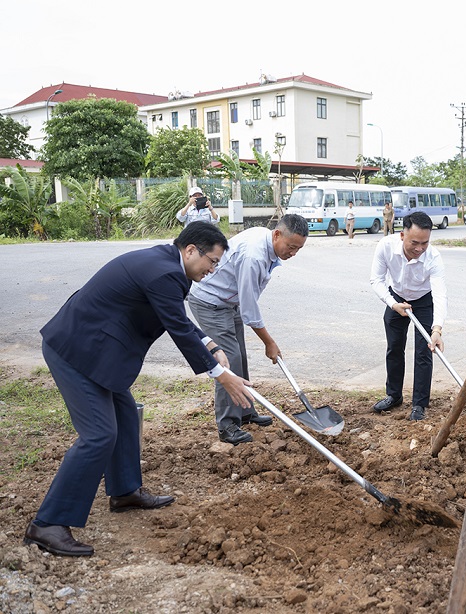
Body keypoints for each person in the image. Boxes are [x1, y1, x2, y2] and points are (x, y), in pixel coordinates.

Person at [23, 223, 254, 557]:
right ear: (191, 250)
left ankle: (125, 491)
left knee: (126, 417)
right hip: (76, 351)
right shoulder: (164, 273)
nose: (213, 269)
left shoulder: (167, 266)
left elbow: (174, 315)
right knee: (99, 434)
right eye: (212, 261)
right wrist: (220, 374)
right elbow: (176, 326)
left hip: (96, 351)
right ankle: (47, 525)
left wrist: (209, 342)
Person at [188, 214, 309, 444]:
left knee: (240, 355)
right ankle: (227, 425)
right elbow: (250, 311)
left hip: (229, 300)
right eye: (291, 247)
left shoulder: (266, 245)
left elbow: (246, 303)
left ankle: (244, 412)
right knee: (228, 360)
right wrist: (269, 343)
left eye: (298, 249)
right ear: (277, 235)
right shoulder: (254, 255)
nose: (293, 253)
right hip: (210, 301)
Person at [370, 211, 447, 421]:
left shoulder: (433, 257)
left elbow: (440, 294)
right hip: (395, 297)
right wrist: (393, 303)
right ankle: (393, 396)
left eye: (425, 243)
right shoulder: (385, 246)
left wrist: (437, 329)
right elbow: (376, 280)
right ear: (402, 235)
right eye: (415, 242)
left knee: (424, 352)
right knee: (394, 347)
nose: (420, 249)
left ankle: (419, 404)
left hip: (424, 301)